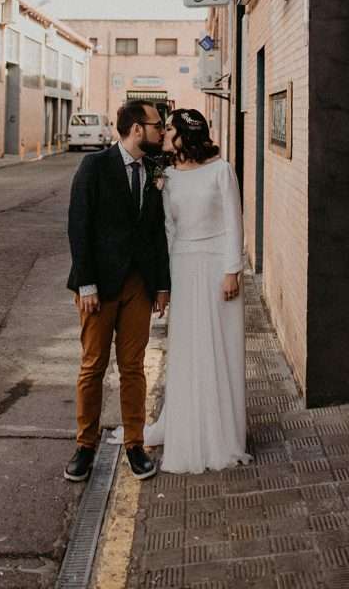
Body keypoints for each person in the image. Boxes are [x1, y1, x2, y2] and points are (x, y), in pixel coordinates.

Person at [64, 100, 171, 482]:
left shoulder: (156, 167)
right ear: (137, 128)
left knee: (133, 368)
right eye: (158, 125)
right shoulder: (94, 166)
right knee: (92, 366)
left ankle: (135, 445)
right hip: (99, 288)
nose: (163, 131)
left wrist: (161, 284)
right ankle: (85, 446)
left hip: (138, 286)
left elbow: (157, 230)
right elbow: (79, 226)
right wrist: (87, 283)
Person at [145, 108, 250, 473]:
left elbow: (233, 221)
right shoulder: (167, 176)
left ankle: (223, 434)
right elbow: (168, 229)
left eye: (169, 128)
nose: (164, 133)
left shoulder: (221, 171)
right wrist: (167, 279)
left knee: (219, 346)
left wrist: (231, 269)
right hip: (183, 265)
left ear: (186, 135)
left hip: (217, 268)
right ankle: (188, 427)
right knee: (187, 348)